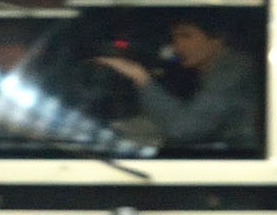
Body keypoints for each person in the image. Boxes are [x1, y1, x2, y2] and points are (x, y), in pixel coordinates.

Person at [92, 18, 260, 150]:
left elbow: (183, 129)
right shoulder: (204, 72)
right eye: (175, 38)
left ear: (216, 40)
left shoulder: (233, 72)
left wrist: (140, 77)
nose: (177, 46)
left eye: (186, 36)